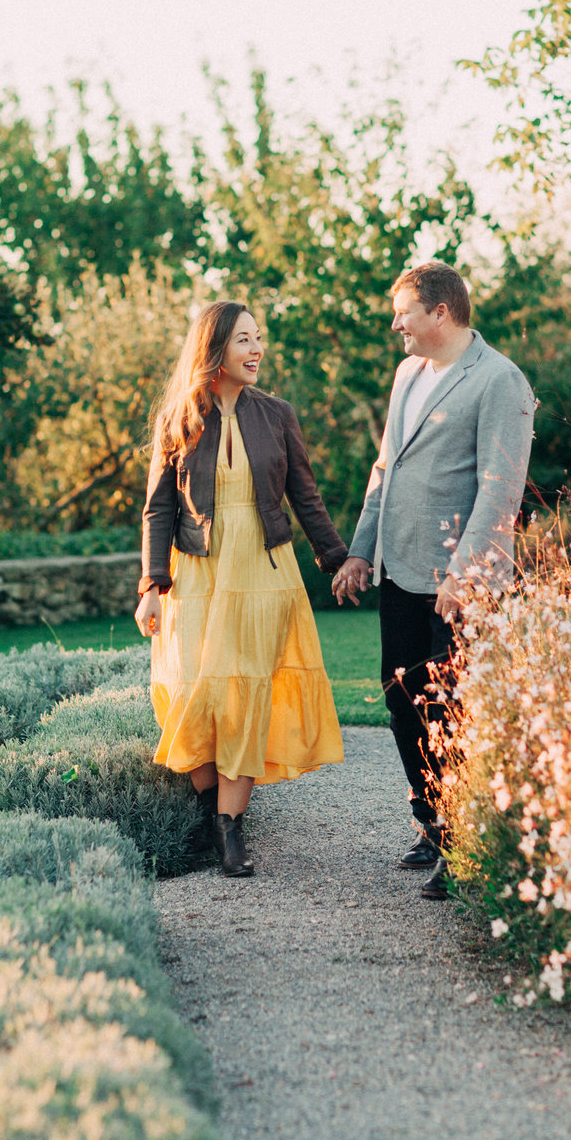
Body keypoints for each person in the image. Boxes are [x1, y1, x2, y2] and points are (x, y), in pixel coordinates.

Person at [331, 262, 535, 899]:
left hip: (458, 580)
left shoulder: (501, 381)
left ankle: (467, 842)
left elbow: (500, 492)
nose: (396, 324)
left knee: (455, 708)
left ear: (440, 312)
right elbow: (385, 466)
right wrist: (361, 551)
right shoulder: (407, 374)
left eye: (403, 313)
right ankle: (434, 824)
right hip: (398, 570)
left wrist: (462, 574)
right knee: (401, 700)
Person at [135, 299, 347, 877]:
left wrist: (337, 559)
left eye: (259, 339)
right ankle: (213, 813)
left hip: (262, 572)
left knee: (246, 693)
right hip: (197, 573)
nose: (257, 350)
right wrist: (153, 585)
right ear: (215, 349)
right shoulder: (177, 418)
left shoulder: (277, 414)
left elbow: (305, 495)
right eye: (245, 340)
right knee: (190, 692)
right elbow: (158, 510)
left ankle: (230, 831)